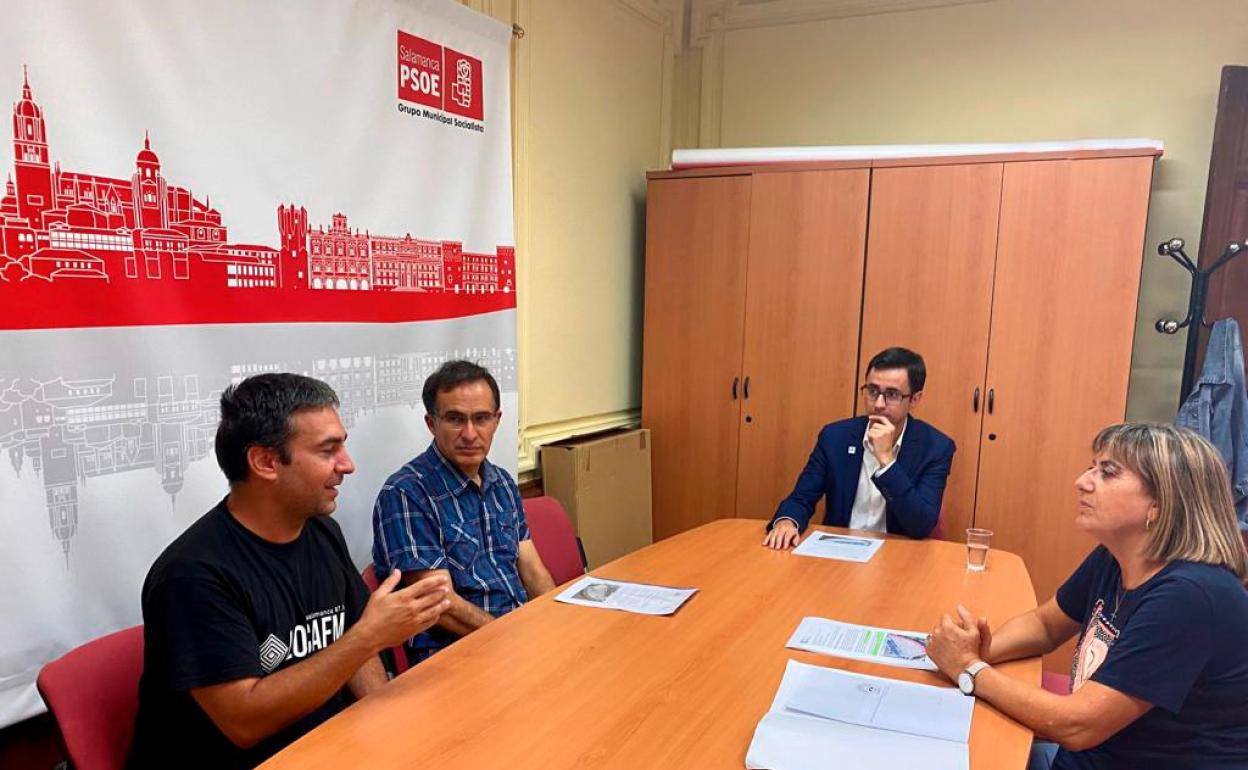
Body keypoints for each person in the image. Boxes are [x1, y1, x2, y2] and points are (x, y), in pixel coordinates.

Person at [128, 374, 451, 770]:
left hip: (332, 748)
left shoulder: (320, 530)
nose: (347, 465)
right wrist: (370, 636)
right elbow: (244, 721)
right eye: (327, 451)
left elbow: (353, 635)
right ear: (265, 462)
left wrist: (390, 734)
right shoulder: (193, 576)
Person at [926, 422, 1248, 770]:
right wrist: (984, 650)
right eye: (1092, 467)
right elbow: (1045, 626)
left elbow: (1078, 725)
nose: (1083, 481)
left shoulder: (1191, 596)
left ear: (1159, 504)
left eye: (1107, 473)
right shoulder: (1118, 556)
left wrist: (970, 670)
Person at [372, 360, 555, 665]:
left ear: (496, 421)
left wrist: (555, 625)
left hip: (519, 640)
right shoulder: (406, 493)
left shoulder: (503, 482)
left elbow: (534, 572)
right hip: (455, 657)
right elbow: (438, 603)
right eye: (455, 419)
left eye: (481, 418)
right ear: (432, 423)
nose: (470, 434)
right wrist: (516, 639)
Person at [763, 346, 955, 547]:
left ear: (915, 399)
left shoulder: (935, 448)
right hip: (838, 551)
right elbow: (802, 497)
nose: (879, 404)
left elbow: (921, 525)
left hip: (898, 555)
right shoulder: (835, 437)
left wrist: (887, 462)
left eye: (892, 394)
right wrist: (787, 521)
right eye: (872, 391)